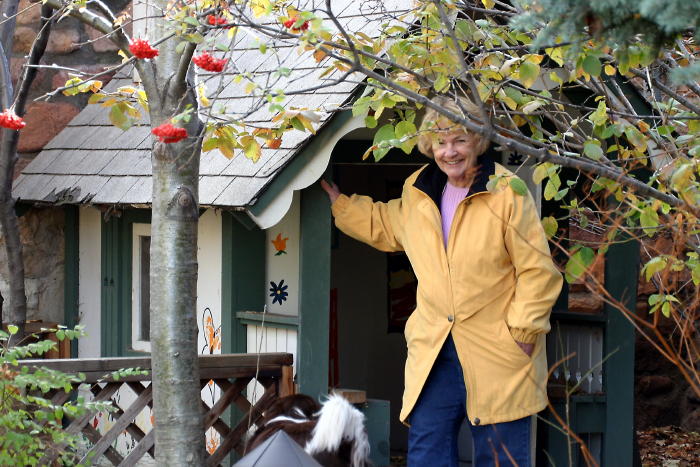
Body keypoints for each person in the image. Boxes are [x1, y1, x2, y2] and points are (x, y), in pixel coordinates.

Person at [320, 96, 563, 466]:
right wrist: (342, 206)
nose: (450, 151)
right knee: (427, 453)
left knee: (499, 457)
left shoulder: (506, 192)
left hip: (497, 346)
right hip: (434, 348)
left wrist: (523, 332)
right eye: (441, 141)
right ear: (429, 145)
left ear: (478, 141)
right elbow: (389, 224)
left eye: (460, 140)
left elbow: (537, 271)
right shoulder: (418, 190)